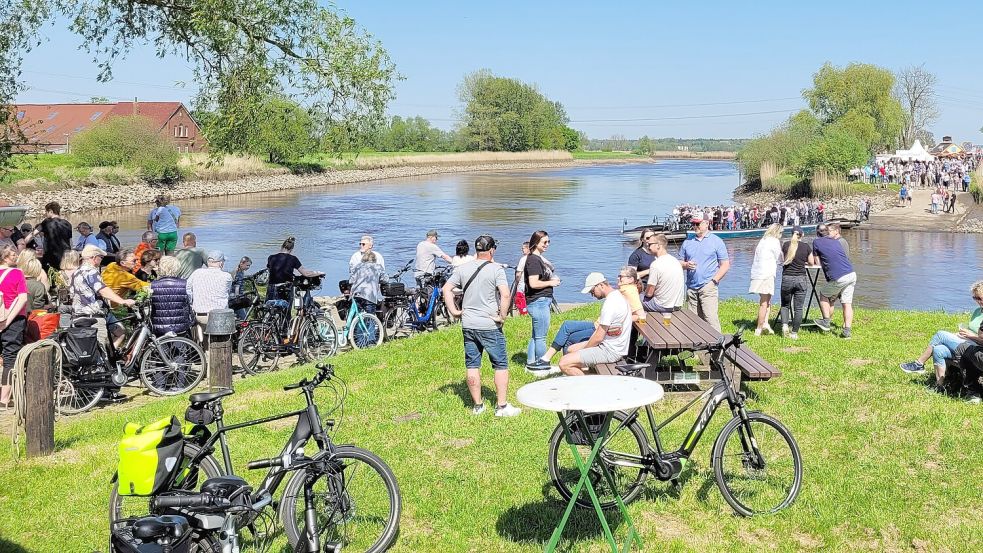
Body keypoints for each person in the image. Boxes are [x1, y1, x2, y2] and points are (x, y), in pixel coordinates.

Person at [442, 234, 520, 417]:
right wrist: (502, 316)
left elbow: (446, 289)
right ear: (492, 250)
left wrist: (454, 311)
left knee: (472, 364)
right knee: (500, 364)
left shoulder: (463, 268)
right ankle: (501, 406)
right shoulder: (496, 269)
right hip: (489, 324)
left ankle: (478, 406)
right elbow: (506, 295)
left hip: (468, 324)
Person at [900, 281, 983, 388]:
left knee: (940, 335)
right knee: (939, 349)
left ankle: (919, 364)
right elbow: (972, 331)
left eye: (979, 298)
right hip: (968, 341)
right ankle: (940, 386)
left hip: (977, 349)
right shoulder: (977, 311)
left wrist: (970, 335)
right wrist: (962, 334)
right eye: (974, 298)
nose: (977, 301)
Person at [556, 273, 632, 377]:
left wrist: (585, 350)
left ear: (601, 285)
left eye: (592, 291)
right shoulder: (617, 296)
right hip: (611, 345)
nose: (592, 295)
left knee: (564, 363)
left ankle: (588, 386)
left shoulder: (611, 304)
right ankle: (585, 376)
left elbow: (598, 337)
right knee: (570, 349)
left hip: (610, 350)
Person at [69, 245, 136, 345]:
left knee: (120, 331)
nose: (102, 259)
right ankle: (105, 358)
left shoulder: (77, 272)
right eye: (101, 257)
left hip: (80, 314)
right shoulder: (91, 272)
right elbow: (102, 290)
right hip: (93, 316)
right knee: (100, 346)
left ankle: (112, 357)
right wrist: (123, 301)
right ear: (94, 258)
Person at [678, 219, 730, 332]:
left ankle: (718, 346)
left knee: (710, 319)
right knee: (692, 320)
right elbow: (679, 262)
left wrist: (714, 281)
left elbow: (725, 265)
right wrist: (686, 264)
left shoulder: (716, 241)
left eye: (698, 224)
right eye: (693, 224)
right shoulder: (687, 242)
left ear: (706, 224)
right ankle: (697, 346)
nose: (695, 226)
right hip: (691, 288)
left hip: (708, 286)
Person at [811, 223, 856, 338]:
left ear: (817, 233)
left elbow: (817, 263)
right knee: (847, 303)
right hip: (851, 273)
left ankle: (826, 321)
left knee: (823, 294)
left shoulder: (816, 242)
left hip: (838, 276)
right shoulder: (836, 241)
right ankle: (847, 331)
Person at [524, 230, 560, 364]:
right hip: (538, 301)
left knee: (536, 336)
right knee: (541, 337)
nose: (547, 245)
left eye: (548, 242)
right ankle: (541, 364)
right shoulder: (533, 260)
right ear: (536, 243)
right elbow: (533, 283)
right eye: (544, 242)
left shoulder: (536, 259)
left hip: (539, 301)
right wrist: (552, 282)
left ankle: (531, 362)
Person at [0, 245, 29, 408]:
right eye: (13, 255)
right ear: (5, 258)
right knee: (10, 358)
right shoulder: (17, 273)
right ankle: (4, 398)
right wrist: (7, 321)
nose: (16, 257)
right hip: (14, 319)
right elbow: (22, 298)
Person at [187, 250, 233, 342]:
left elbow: (188, 289)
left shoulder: (197, 273)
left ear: (208, 262)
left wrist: (192, 304)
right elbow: (228, 292)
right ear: (220, 263)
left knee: (202, 331)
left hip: (200, 315)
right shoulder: (227, 276)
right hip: (219, 317)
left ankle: (203, 350)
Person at [749, 224, 784, 336]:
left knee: (767, 300)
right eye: (781, 233)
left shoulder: (762, 240)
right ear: (777, 232)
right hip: (766, 274)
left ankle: (765, 323)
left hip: (757, 272)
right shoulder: (774, 241)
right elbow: (780, 257)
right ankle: (759, 329)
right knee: (764, 302)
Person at [778, 226, 812, 339]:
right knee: (798, 308)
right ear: (802, 235)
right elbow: (811, 262)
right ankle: (794, 333)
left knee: (785, 305)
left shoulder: (786, 245)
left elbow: (783, 259)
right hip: (800, 279)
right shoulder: (806, 246)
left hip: (787, 278)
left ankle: (784, 326)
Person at [149, 256, 195, 337]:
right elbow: (190, 301)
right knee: (182, 348)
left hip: (159, 326)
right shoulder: (185, 283)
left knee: (161, 348)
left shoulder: (153, 285)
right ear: (177, 268)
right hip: (181, 325)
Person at [267, 236, 322, 302]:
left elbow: (271, 271)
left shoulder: (271, 257)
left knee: (269, 307)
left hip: (271, 288)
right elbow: (306, 273)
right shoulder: (293, 259)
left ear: (282, 246)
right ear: (291, 249)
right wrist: (319, 273)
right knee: (289, 307)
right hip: (285, 289)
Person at [642, 233, 685, 313]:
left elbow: (649, 293)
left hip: (662, 306)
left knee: (634, 298)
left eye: (650, 244)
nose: (648, 247)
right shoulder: (675, 261)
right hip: (677, 305)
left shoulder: (656, 264)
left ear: (658, 245)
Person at [26, 201, 72, 272]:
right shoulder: (67, 224)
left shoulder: (46, 222)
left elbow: (33, 234)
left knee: (49, 277)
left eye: (46, 212)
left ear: (50, 211)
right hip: (66, 257)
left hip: (51, 257)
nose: (45, 214)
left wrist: (23, 242)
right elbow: (70, 242)